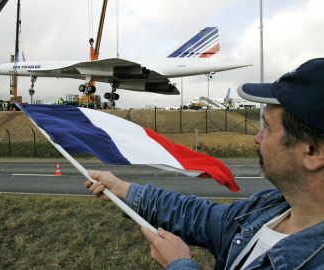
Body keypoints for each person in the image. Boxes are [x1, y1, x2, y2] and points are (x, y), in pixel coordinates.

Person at [84, 58, 324, 269]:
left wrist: (180, 265)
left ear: (313, 152)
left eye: (268, 128)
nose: (257, 137)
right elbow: (201, 216)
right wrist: (123, 189)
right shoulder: (270, 208)